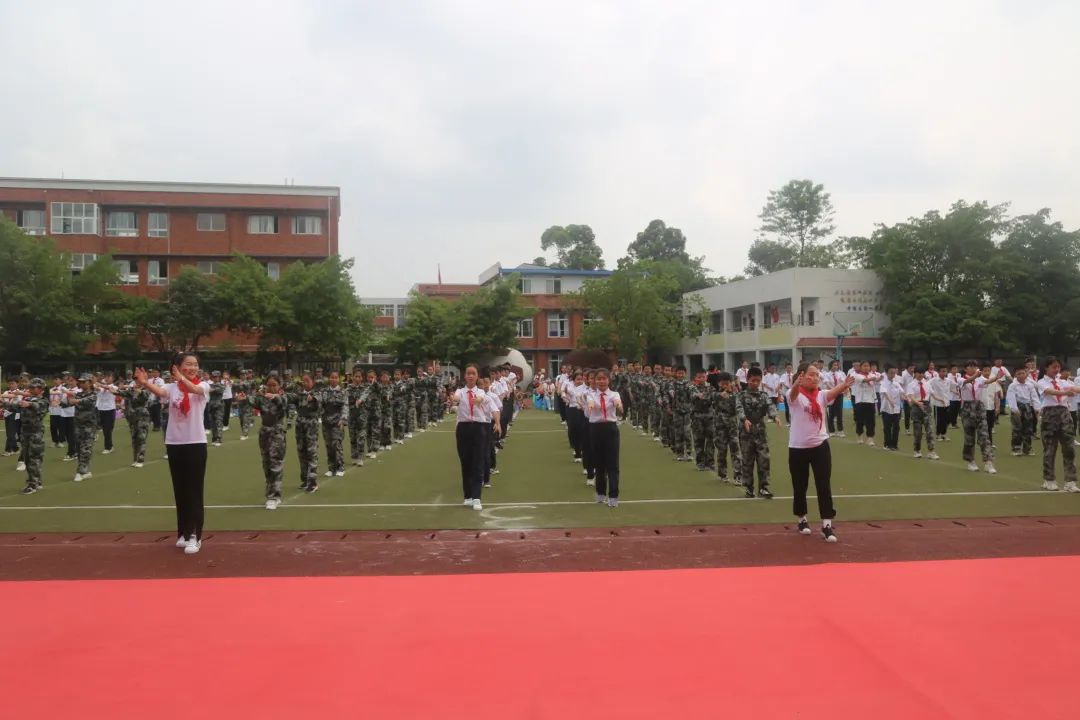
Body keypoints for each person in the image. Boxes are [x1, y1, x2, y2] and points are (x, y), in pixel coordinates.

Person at [135, 356, 210, 555]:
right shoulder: (172, 388)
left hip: (195, 443)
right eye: (188, 364)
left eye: (195, 364)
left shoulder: (203, 385)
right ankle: (183, 533)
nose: (193, 367)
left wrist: (181, 378)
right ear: (177, 367)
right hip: (174, 443)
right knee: (180, 489)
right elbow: (160, 392)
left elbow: (194, 390)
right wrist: (144, 383)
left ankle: (196, 536)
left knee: (194, 490)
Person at [788, 362, 853, 543]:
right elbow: (792, 395)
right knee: (800, 485)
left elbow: (833, 393)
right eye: (812, 374)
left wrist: (844, 385)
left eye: (818, 375)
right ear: (802, 376)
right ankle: (802, 519)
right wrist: (796, 383)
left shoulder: (821, 395)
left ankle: (826, 524)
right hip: (798, 448)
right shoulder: (794, 395)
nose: (816, 377)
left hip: (820, 446)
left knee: (823, 484)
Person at [239, 375, 289, 510]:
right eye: (269, 385)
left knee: (275, 464)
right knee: (266, 464)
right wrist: (243, 399)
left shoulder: (283, 397)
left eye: (274, 385)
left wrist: (276, 397)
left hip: (277, 433)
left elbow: (283, 403)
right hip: (264, 434)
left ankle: (274, 496)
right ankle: (270, 493)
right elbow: (251, 401)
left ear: (280, 386)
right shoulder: (262, 398)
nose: (271, 387)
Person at [736, 367, 782, 499]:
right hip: (746, 433)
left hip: (760, 433)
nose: (755, 383)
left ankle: (764, 488)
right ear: (748, 380)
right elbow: (739, 409)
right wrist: (744, 419)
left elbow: (770, 406)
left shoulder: (764, 395)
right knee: (747, 461)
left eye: (758, 381)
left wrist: (775, 416)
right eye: (752, 380)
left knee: (764, 460)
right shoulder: (741, 396)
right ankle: (749, 488)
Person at [453, 364, 493, 510]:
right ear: (465, 376)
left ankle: (477, 497)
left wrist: (477, 400)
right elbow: (455, 398)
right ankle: (468, 496)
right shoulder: (460, 391)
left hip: (478, 428)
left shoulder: (481, 392)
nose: (470, 376)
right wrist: (455, 399)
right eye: (468, 373)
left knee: (478, 461)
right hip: (463, 428)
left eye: (473, 373)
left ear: (477, 377)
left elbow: (480, 399)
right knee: (465, 462)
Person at [1036, 357, 1079, 492]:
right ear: (1046, 368)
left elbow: (1074, 388)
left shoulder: (1062, 381)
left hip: (1064, 414)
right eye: (1054, 367)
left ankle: (1070, 481)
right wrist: (1065, 392)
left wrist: (1071, 390)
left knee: (1069, 448)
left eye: (1058, 367)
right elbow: (1049, 391)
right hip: (1050, 414)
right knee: (1050, 449)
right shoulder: (1041, 382)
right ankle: (1049, 479)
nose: (1057, 370)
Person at [1, 378, 48, 494]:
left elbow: (36, 406)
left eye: (34, 387)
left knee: (34, 458)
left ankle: (33, 484)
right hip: (25, 432)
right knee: (27, 458)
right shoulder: (28, 398)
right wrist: (3, 403)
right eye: (30, 387)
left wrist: (28, 404)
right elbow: (15, 406)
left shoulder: (43, 400)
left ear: (41, 389)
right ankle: (37, 481)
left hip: (35, 433)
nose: (31, 389)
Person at [587, 369, 623, 507]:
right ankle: (600, 493)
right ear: (595, 381)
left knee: (613, 464)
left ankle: (613, 496)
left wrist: (619, 405)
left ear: (609, 380)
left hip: (611, 429)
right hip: (596, 429)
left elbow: (617, 402)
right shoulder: (591, 394)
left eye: (604, 379)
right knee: (599, 464)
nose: (601, 381)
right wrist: (590, 407)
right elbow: (590, 403)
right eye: (599, 379)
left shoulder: (614, 394)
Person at [956, 360, 996, 474]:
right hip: (967, 408)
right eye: (970, 366)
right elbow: (968, 381)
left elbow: (987, 381)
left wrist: (996, 377)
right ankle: (970, 460)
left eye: (975, 366)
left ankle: (988, 462)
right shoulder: (961, 379)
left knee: (984, 435)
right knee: (969, 437)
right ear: (965, 369)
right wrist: (975, 375)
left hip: (979, 406)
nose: (973, 368)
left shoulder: (980, 378)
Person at [289, 373, 323, 493]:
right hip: (300, 425)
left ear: (312, 382)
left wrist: (312, 399)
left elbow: (318, 401)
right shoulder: (299, 393)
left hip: (311, 425)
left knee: (311, 452)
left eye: (307, 381)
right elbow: (290, 398)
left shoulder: (317, 392)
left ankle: (313, 482)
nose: (305, 383)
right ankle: (305, 480)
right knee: (301, 452)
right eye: (303, 381)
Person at [905, 368, 940, 460]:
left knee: (929, 430)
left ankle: (931, 451)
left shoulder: (927, 383)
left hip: (926, 406)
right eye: (918, 373)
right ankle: (917, 450)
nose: (920, 375)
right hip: (916, 408)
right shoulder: (911, 385)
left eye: (922, 373)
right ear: (915, 374)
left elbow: (932, 394)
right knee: (918, 432)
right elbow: (911, 397)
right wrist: (917, 403)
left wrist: (940, 399)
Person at [116, 380, 152, 467]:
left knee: (141, 438)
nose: (137, 383)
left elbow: (145, 396)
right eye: (136, 381)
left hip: (143, 417)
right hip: (133, 417)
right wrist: (114, 389)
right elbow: (120, 392)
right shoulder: (131, 391)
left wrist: (136, 389)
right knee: (134, 438)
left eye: (138, 381)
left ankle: (140, 460)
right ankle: (135, 459)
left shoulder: (146, 390)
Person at [1006, 367, 1039, 457]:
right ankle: (1016, 448)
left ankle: (1027, 448)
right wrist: (1014, 409)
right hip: (1017, 406)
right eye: (1018, 373)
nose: (1021, 375)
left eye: (1023, 373)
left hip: (1027, 407)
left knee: (1028, 429)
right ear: (1015, 375)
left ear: (1026, 374)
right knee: (1017, 429)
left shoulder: (1030, 385)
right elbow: (1011, 397)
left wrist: (1037, 408)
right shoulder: (1013, 385)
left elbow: (1034, 397)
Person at [320, 370, 347, 478]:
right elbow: (320, 405)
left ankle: (340, 467)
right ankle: (331, 468)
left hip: (337, 422)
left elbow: (345, 406)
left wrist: (343, 419)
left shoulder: (343, 392)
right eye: (332, 377)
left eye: (336, 377)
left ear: (339, 379)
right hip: (326, 422)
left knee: (336, 445)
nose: (333, 379)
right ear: (329, 379)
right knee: (328, 445)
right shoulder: (324, 391)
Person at [689, 369, 715, 471]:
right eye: (699, 377)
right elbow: (692, 396)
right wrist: (698, 396)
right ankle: (700, 462)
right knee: (699, 440)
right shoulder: (692, 388)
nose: (701, 379)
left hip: (709, 417)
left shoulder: (711, 388)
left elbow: (713, 398)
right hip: (697, 417)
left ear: (706, 377)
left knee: (710, 440)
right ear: (696, 378)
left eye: (703, 377)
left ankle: (710, 462)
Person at [850, 361, 881, 446]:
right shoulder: (857, 375)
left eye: (867, 366)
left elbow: (877, 380)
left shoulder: (872, 375)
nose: (866, 367)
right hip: (860, 401)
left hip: (870, 401)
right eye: (864, 366)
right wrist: (874, 378)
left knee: (871, 420)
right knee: (860, 420)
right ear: (860, 367)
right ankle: (859, 436)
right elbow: (865, 380)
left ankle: (870, 438)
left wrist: (881, 377)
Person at [879, 366, 903, 451]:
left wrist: (907, 398)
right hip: (886, 408)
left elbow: (901, 392)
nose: (893, 374)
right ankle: (887, 444)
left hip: (896, 409)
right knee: (887, 427)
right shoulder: (883, 383)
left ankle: (894, 444)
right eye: (891, 372)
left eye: (894, 372)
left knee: (896, 427)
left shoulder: (896, 383)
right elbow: (884, 393)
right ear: (886, 373)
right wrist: (890, 401)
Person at [95, 372, 118, 454]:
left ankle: (108, 447)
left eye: (109, 377)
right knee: (102, 428)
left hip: (110, 410)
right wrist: (95, 383)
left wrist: (100, 384)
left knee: (107, 430)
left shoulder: (114, 386)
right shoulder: (101, 388)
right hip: (101, 410)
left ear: (113, 379)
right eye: (106, 376)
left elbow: (109, 388)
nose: (107, 378)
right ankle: (109, 445)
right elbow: (97, 388)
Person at [206, 370, 225, 446]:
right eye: (213, 377)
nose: (215, 378)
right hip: (211, 406)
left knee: (218, 422)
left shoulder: (221, 385)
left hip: (219, 406)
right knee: (212, 423)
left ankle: (219, 438)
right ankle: (214, 438)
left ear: (219, 377)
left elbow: (215, 390)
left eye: (216, 377)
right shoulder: (209, 385)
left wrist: (208, 389)